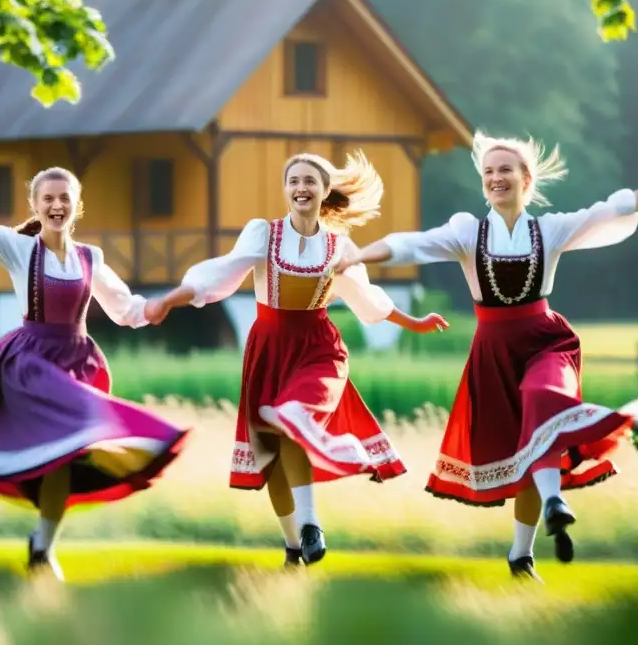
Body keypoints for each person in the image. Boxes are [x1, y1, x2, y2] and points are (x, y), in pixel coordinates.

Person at [335, 130, 638, 581]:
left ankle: (554, 500)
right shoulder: (466, 232)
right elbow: (408, 243)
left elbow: (620, 206)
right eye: (489, 172)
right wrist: (360, 254)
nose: (496, 178)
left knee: (544, 397)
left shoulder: (550, 229)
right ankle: (522, 555)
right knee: (526, 449)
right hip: (495, 352)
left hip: (546, 341)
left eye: (505, 170)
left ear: (526, 179)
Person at [0, 145, 189, 581]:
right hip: (33, 365)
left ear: (76, 206)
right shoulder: (20, 250)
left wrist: (151, 309)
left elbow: (123, 307)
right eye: (48, 199)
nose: (56, 205)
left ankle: (42, 547)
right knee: (58, 452)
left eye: (64, 198)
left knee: (68, 457)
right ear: (36, 206)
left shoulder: (90, 258)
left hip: (78, 363)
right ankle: (41, 544)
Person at [153, 152, 448, 567]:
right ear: (285, 189)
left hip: (317, 348)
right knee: (269, 451)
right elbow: (222, 272)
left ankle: (311, 523)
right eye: (293, 180)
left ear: (325, 191)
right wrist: (171, 299)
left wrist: (411, 321)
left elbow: (366, 298)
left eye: (310, 180)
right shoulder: (263, 234)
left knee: (294, 415)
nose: (300, 188)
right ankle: (294, 546)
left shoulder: (338, 246)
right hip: (268, 348)